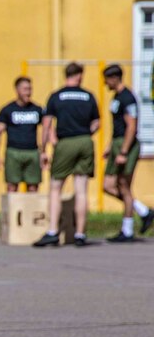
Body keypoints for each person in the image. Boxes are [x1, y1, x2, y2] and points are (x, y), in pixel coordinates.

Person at [33, 63, 100, 247]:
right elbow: (97, 123)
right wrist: (85, 133)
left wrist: (44, 149)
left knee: (55, 187)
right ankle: (80, 234)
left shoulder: (57, 96)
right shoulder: (88, 96)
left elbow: (46, 125)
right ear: (79, 76)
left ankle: (53, 231)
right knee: (81, 190)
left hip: (65, 142)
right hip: (85, 140)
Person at [101, 64, 154, 242]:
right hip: (117, 143)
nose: (105, 83)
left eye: (107, 80)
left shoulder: (128, 97)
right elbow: (117, 125)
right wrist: (110, 146)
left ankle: (127, 230)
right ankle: (143, 211)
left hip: (127, 145)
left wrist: (124, 151)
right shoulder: (116, 97)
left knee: (124, 186)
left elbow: (131, 125)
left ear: (115, 78)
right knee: (108, 185)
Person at [0, 77, 43, 192]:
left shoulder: (37, 109)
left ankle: (32, 210)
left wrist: (44, 152)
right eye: (25, 89)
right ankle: (12, 210)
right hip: (13, 152)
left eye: (30, 89)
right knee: (12, 186)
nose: (28, 92)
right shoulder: (7, 110)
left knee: (33, 187)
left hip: (32, 152)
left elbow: (47, 130)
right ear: (17, 90)